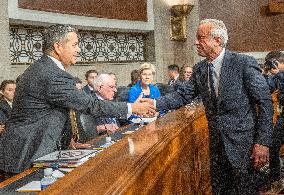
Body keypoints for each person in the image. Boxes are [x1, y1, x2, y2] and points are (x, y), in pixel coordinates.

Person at [0, 24, 155, 174]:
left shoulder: (42, 68)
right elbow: (91, 104)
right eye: (74, 45)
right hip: (26, 153)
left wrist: (66, 142)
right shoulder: (53, 75)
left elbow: (45, 112)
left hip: (21, 150)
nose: (79, 49)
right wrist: (131, 108)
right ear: (58, 47)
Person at [146, 19, 273, 194]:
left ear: (217, 40)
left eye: (201, 37)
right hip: (216, 146)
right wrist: (153, 103)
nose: (195, 42)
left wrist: (262, 142)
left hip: (244, 146)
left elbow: (265, 102)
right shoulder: (199, 69)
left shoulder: (243, 63)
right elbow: (182, 95)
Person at [263, 51, 284, 184]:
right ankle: (275, 179)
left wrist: (279, 74)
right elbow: (268, 88)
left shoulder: (280, 75)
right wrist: (264, 74)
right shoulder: (278, 76)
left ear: (277, 62)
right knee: (273, 145)